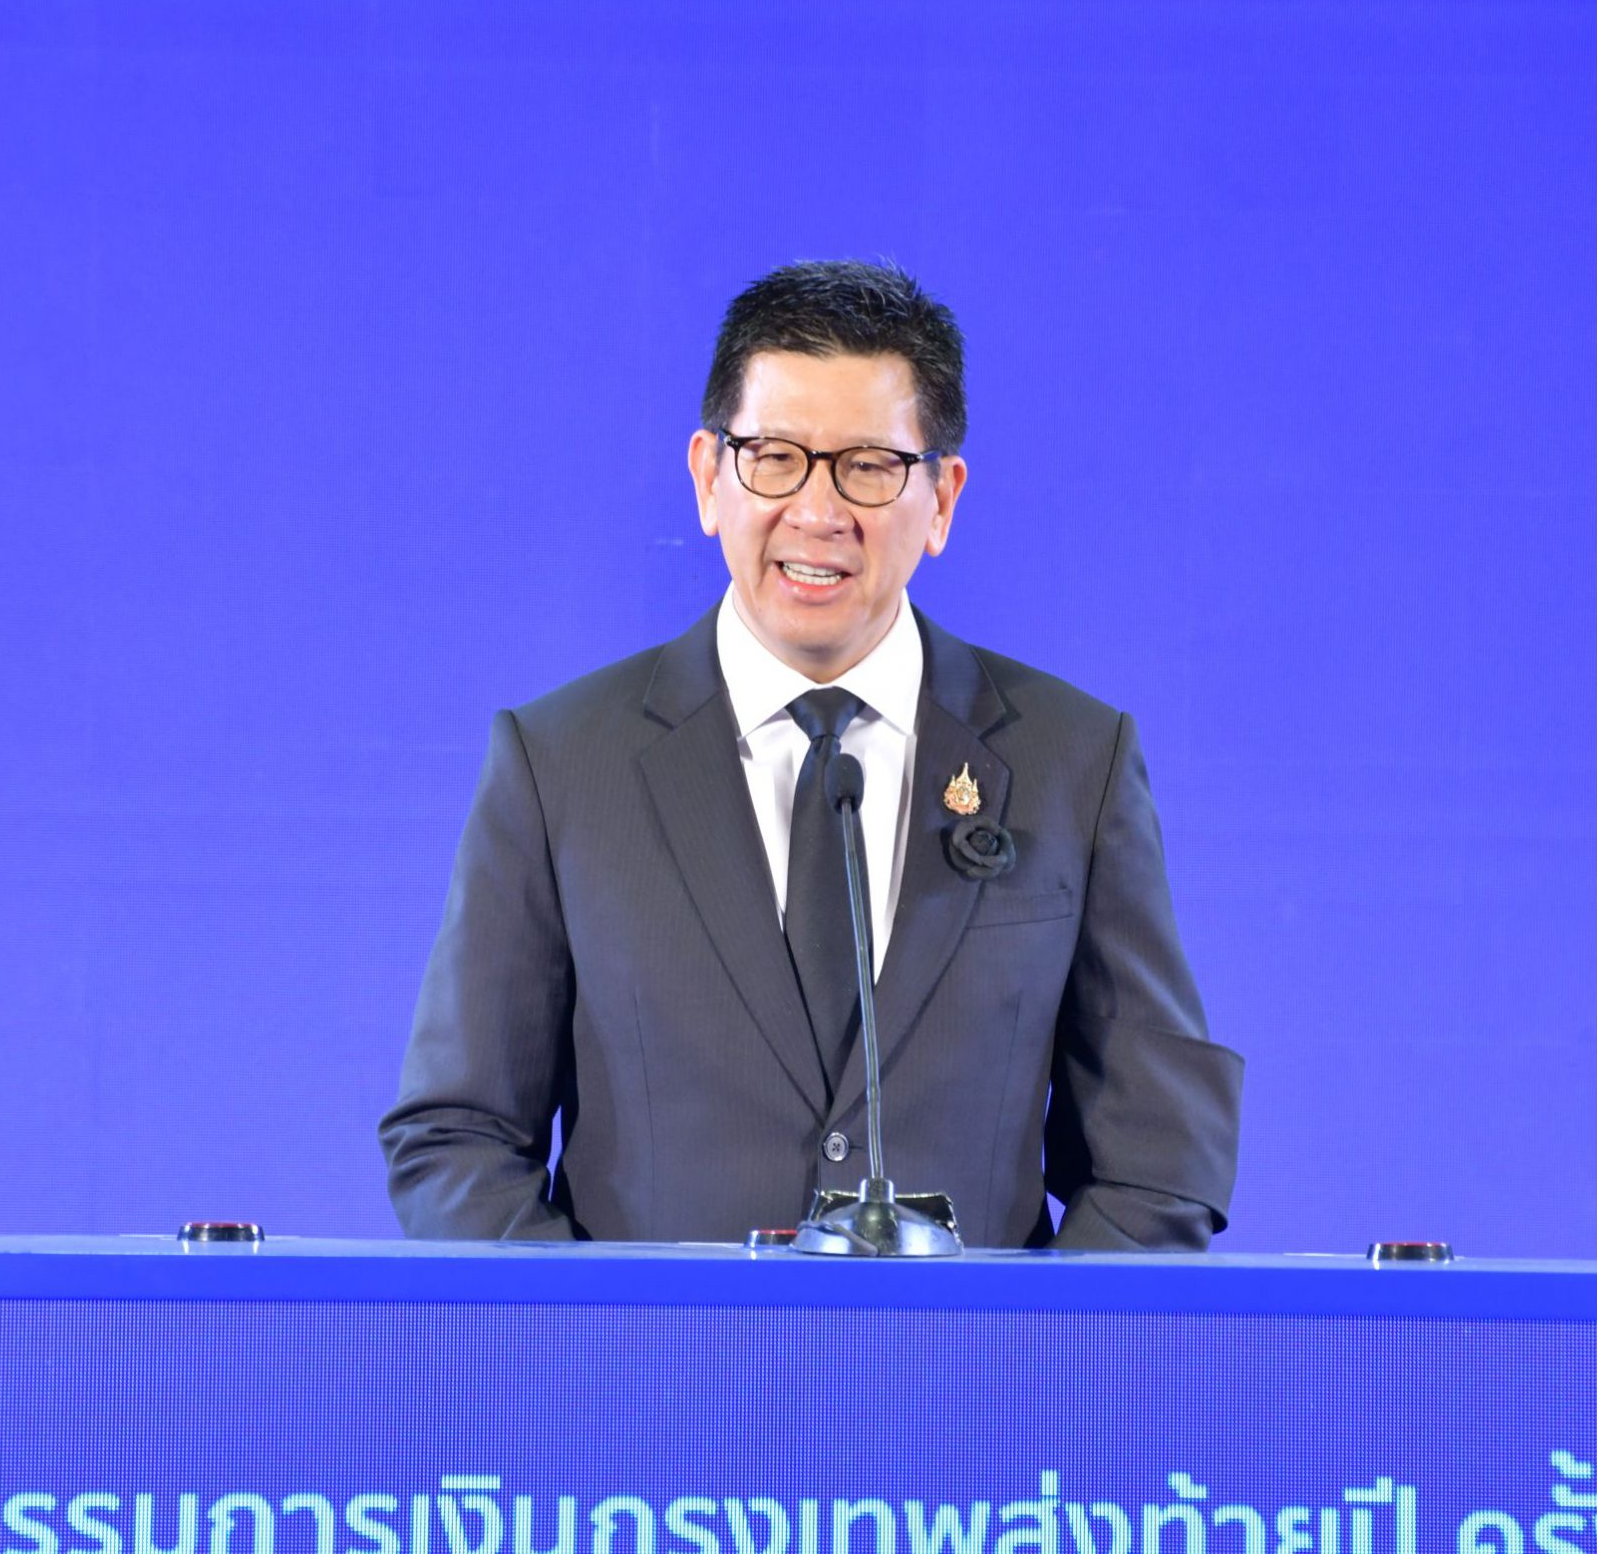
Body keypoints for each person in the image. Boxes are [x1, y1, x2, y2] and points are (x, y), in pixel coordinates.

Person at [379, 260, 1241, 1249]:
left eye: (868, 465)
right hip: (658, 1355)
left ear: (943, 498)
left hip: (968, 1357)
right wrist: (608, 1335)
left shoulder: (1072, 763)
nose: (819, 511)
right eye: (776, 457)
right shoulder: (561, 763)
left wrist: (1022, 1342)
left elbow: (1157, 1159)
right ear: (708, 477)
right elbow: (456, 1138)